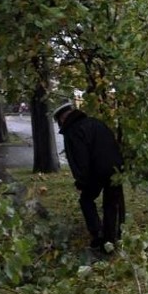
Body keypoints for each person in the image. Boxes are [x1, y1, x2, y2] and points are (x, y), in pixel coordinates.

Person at [53, 102, 125, 251]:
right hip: (115, 169)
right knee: (111, 203)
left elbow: (80, 160)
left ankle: (97, 233)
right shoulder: (95, 123)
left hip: (96, 171)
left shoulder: (72, 131)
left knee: (86, 200)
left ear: (62, 119)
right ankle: (112, 239)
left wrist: (81, 182)